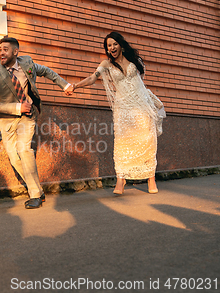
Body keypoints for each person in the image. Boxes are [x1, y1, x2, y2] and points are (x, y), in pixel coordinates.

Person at [70, 32, 165, 195]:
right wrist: (75, 86)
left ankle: (151, 179)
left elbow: (140, 83)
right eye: (109, 46)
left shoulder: (134, 60)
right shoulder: (106, 64)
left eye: (114, 44)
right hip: (123, 110)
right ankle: (120, 181)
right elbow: (93, 78)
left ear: (120, 44)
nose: (112, 47)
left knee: (148, 141)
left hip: (141, 106)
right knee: (122, 144)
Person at [0, 36, 73, 209]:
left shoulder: (27, 63)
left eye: (5, 49)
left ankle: (34, 195)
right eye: (0, 49)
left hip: (27, 116)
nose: (1, 52)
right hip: (6, 120)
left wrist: (65, 85)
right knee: (14, 157)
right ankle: (38, 190)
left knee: (24, 149)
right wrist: (18, 107)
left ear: (15, 52)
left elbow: (46, 71)